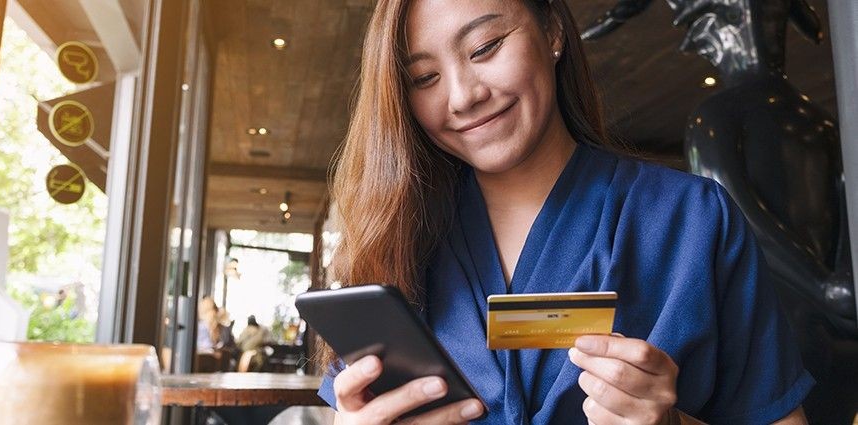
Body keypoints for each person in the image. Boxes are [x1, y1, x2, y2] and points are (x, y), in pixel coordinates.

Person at [317, 0, 813, 424]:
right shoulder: (397, 238)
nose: (464, 96)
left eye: (486, 47)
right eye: (424, 77)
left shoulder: (693, 221)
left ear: (552, 30)